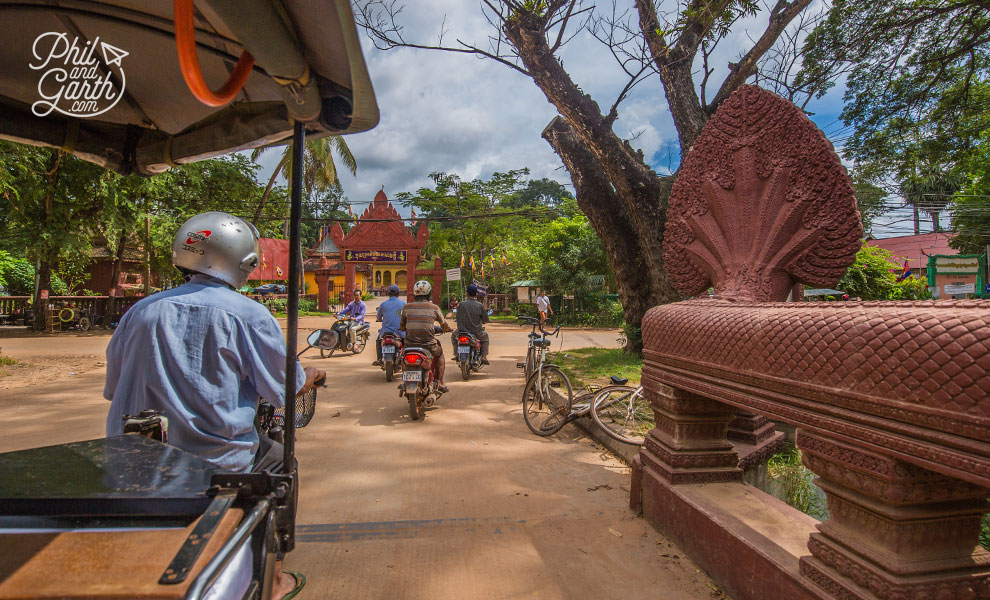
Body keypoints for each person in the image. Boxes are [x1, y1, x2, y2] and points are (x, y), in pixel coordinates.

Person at [104, 211, 322, 598]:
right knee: (280, 462)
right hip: (218, 463)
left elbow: (114, 388)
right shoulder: (249, 314)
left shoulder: (139, 311)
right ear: (243, 262)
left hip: (133, 459)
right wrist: (313, 377)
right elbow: (285, 390)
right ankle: (273, 578)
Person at [400, 280, 452, 392]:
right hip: (429, 344)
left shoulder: (406, 307)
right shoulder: (434, 308)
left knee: (403, 356)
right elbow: (444, 325)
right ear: (429, 293)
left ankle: (405, 380)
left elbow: (402, 326)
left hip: (410, 344)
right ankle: (441, 382)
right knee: (440, 354)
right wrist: (447, 329)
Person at [451, 284, 490, 365]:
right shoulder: (480, 305)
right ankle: (484, 357)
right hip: (476, 332)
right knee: (485, 337)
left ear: (467, 293)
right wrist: (484, 320)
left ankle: (456, 353)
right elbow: (485, 319)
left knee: (453, 336)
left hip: (461, 331)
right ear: (476, 294)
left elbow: (457, 317)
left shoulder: (461, 304)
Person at [372, 284, 405, 366]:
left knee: (378, 340)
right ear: (398, 293)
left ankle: (379, 358)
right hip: (400, 332)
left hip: (386, 332)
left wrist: (379, 319)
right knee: (405, 341)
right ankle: (404, 358)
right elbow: (407, 316)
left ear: (388, 293)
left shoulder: (383, 304)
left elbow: (379, 317)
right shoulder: (403, 304)